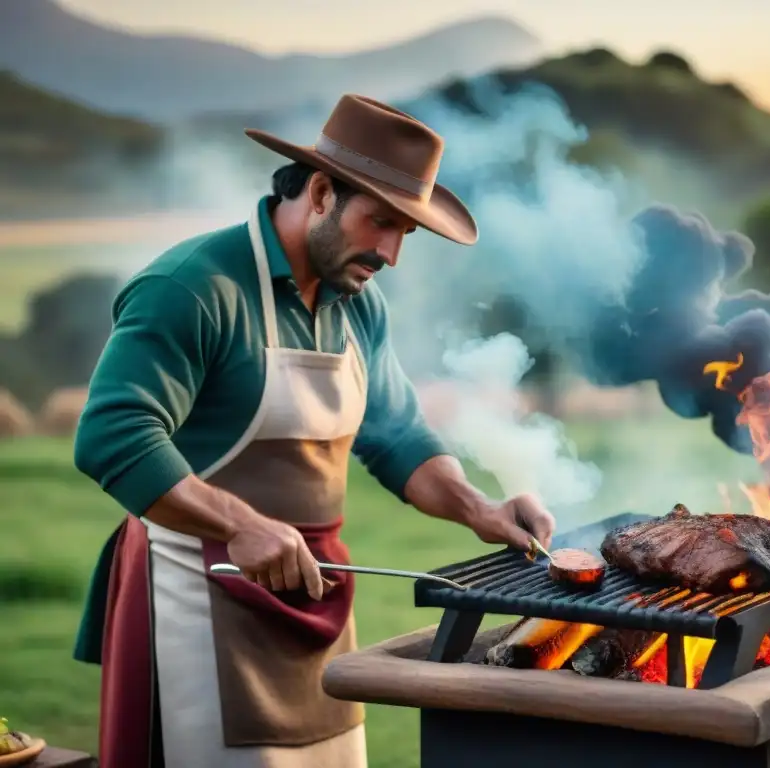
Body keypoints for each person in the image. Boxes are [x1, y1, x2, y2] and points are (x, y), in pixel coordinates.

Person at [71, 93, 557, 768]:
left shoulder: (357, 303)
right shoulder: (193, 287)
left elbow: (397, 435)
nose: (391, 253)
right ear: (322, 193)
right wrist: (239, 522)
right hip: (197, 595)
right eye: (380, 222)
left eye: (405, 233)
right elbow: (112, 434)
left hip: (318, 599)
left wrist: (482, 509)